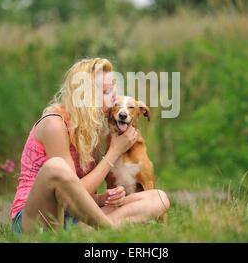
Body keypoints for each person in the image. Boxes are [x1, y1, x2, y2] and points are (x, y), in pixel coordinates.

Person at [10, 58, 170, 234]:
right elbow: (68, 193)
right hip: (35, 219)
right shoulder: (54, 124)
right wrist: (114, 152)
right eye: (106, 91)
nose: (114, 96)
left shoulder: (91, 130)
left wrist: (102, 199)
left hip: (71, 217)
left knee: (159, 198)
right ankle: (108, 228)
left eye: (113, 88)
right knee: (56, 167)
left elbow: (79, 199)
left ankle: (85, 232)